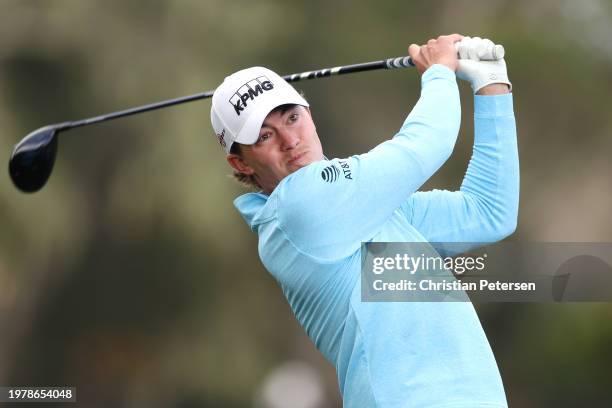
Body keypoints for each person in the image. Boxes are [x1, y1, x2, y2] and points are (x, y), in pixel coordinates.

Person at [210, 34, 517, 407]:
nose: (290, 140)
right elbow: (427, 144)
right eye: (264, 136)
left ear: (310, 114)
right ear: (241, 163)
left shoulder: (372, 209)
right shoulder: (297, 210)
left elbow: (488, 212)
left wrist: (492, 85)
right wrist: (438, 73)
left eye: (293, 117)